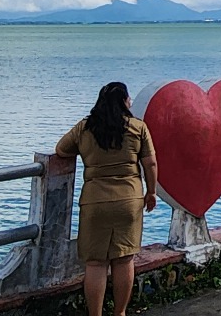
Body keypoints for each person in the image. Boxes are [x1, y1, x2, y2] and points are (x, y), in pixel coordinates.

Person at [55, 82, 158, 316]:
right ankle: (119, 312)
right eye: (128, 98)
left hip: (95, 202)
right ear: (124, 101)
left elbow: (61, 149)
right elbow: (150, 163)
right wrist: (150, 192)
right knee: (123, 260)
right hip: (129, 200)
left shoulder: (85, 128)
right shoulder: (138, 127)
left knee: (96, 264)